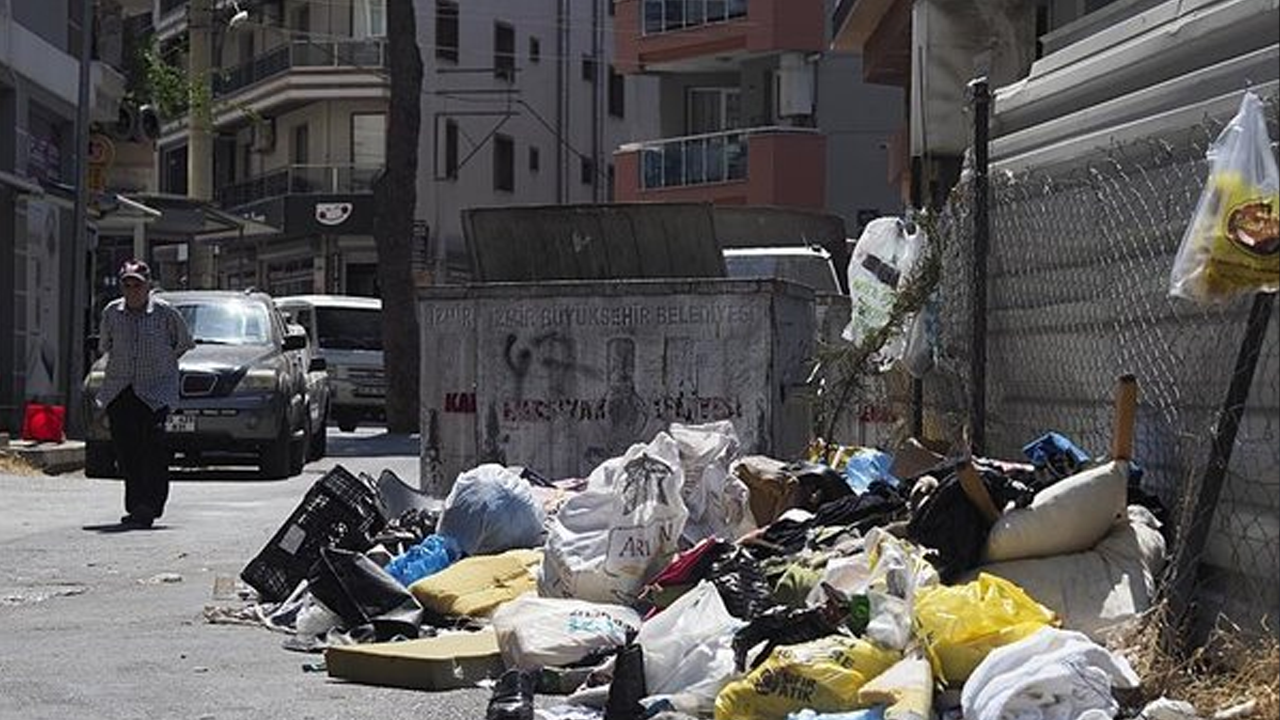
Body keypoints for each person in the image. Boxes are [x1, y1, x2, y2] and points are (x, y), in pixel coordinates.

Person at [96, 259, 195, 528]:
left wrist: (161, 365)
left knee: (154, 449)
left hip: (155, 391)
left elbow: (183, 343)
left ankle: (150, 505)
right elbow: (106, 345)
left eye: (137, 284)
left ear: (148, 285)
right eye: (126, 284)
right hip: (121, 389)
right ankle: (135, 505)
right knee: (127, 452)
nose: (132, 290)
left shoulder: (165, 313)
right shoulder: (111, 313)